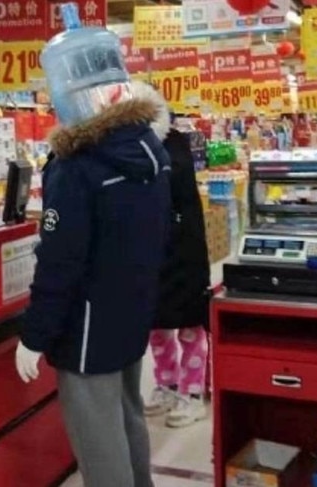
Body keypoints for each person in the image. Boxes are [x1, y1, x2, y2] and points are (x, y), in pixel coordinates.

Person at [15, 61, 171, 487]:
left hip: (85, 328)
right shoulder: (150, 148)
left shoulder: (76, 167)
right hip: (132, 311)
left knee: (98, 443)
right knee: (126, 417)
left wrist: (34, 336)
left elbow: (59, 261)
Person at [131, 81, 212, 428]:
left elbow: (170, 192)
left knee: (190, 325)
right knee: (156, 325)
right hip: (148, 253)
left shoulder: (173, 146)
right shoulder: (130, 150)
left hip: (184, 250)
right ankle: (167, 383)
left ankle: (194, 393)